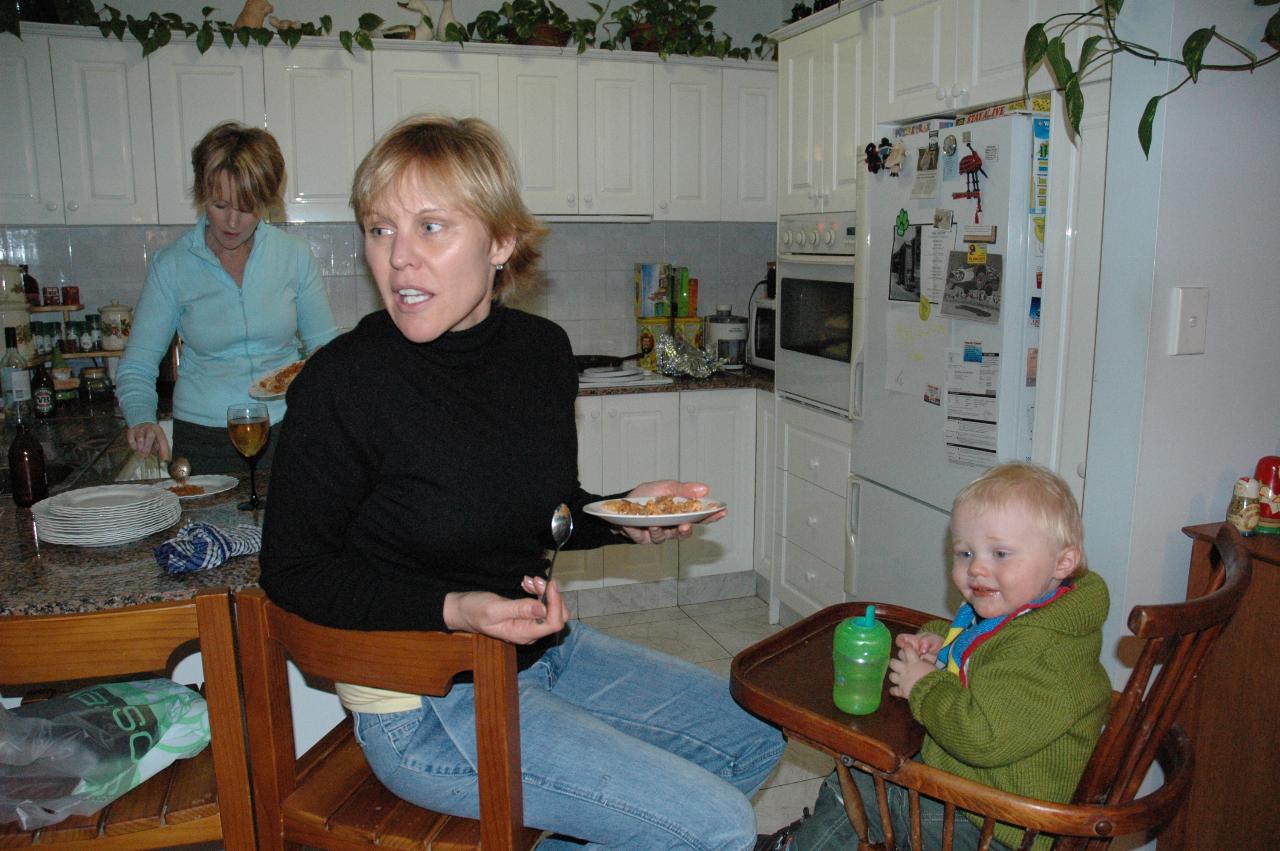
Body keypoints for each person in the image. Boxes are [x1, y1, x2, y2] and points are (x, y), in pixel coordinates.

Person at [258, 114, 784, 851]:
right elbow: (292, 572)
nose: (400, 258)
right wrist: (456, 609)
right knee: (716, 826)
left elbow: (547, 507)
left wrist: (621, 513)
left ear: (501, 241)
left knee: (753, 733)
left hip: (545, 653)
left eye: (432, 227)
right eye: (380, 229)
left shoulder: (542, 353)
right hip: (427, 698)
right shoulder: (343, 382)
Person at [776, 462, 1110, 851]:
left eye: (1000, 553)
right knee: (865, 773)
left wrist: (925, 685)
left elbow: (981, 738)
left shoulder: (1045, 651)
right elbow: (977, 643)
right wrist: (938, 644)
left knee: (862, 780)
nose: (978, 568)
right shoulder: (1025, 612)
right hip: (980, 799)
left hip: (995, 826)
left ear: (1062, 562)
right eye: (965, 552)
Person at [116, 121, 338, 473]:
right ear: (203, 194)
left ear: (266, 202)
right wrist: (142, 418)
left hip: (286, 430)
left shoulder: (293, 256)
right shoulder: (172, 266)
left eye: (247, 207)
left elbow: (326, 350)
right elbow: (137, 366)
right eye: (220, 205)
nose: (232, 221)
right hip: (204, 439)